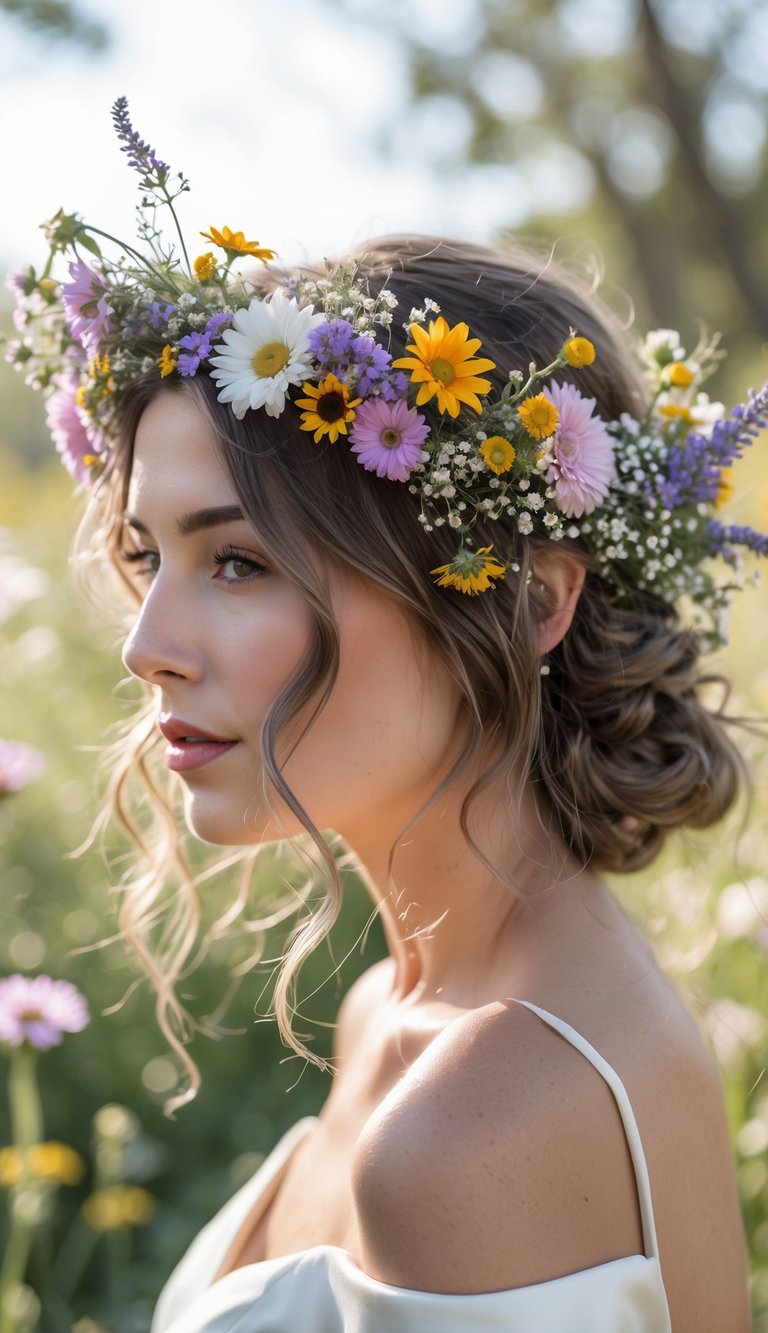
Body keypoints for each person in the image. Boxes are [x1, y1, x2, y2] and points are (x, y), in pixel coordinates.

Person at [11, 99, 766, 1332]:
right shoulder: (405, 1014)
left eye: (242, 561)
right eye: (150, 557)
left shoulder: (475, 1130)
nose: (147, 649)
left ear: (529, 600)